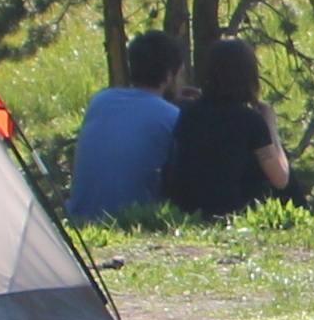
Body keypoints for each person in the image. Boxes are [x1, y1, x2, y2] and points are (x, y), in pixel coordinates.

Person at [163, 32, 290, 214]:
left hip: (186, 208)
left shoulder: (189, 113)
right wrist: (270, 126)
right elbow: (280, 179)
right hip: (227, 209)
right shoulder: (249, 120)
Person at [69, 30, 188, 223]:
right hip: (129, 220)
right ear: (168, 76)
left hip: (80, 218)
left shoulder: (100, 101)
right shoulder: (172, 116)